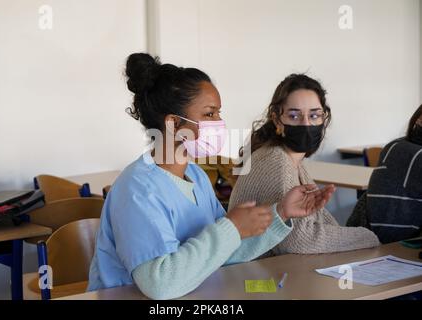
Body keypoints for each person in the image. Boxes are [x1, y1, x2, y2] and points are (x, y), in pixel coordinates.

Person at [87, 54, 335, 299]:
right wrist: (231, 227)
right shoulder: (137, 189)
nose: (219, 123)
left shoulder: (195, 176)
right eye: (209, 114)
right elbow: (159, 284)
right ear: (173, 123)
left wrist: (280, 213)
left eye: (219, 113)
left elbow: (223, 251)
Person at [229, 74, 379, 255]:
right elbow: (299, 241)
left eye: (314, 115)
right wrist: (369, 237)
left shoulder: (293, 161)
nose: (306, 124)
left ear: (324, 118)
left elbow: (321, 221)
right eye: (294, 116)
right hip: (256, 275)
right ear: (277, 120)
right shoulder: (275, 161)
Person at [347, 105, 422, 243]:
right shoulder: (413, 153)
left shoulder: (396, 144)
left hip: (380, 238)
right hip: (391, 246)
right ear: (419, 119)